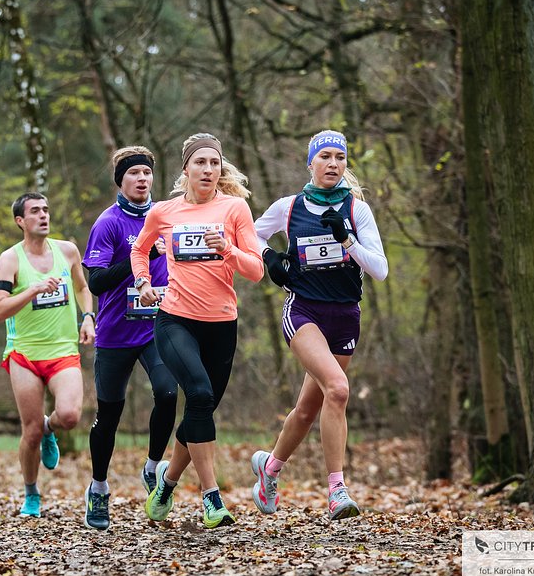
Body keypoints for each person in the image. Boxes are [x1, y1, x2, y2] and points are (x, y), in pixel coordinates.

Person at [250, 129, 388, 521]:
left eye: (339, 158)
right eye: (324, 156)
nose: (332, 164)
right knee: (339, 389)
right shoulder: (288, 208)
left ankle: (270, 469)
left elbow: (379, 270)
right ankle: (337, 490)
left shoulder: (357, 210)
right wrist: (270, 257)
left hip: (345, 315)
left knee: (309, 408)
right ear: (310, 162)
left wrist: (347, 241)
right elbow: (245, 236)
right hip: (304, 312)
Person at [131, 133, 264, 528]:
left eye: (214, 163)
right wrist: (142, 283)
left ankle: (167, 483)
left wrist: (228, 249)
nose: (208, 170)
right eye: (200, 162)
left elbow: (256, 270)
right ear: (185, 169)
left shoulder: (235, 209)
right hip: (175, 319)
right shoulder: (164, 212)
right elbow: (140, 249)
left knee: (201, 411)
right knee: (200, 394)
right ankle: (211, 498)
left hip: (222, 324)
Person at [80, 145, 177, 530]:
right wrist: (139, 253)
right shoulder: (108, 223)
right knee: (109, 417)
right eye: (133, 173)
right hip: (116, 333)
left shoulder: (167, 218)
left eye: (147, 173)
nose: (142, 179)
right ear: (120, 180)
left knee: (169, 393)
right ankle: (99, 488)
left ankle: (153, 467)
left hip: (157, 327)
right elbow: (97, 281)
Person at [0, 191, 95, 518]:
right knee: (30, 431)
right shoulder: (10, 259)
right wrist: (33, 289)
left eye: (46, 210)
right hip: (24, 354)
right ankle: (31, 494)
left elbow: (81, 287)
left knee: (69, 416)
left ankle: (52, 429)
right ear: (20, 220)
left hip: (63, 350)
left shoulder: (67, 251)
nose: (43, 215)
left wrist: (87, 316)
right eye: (35, 211)